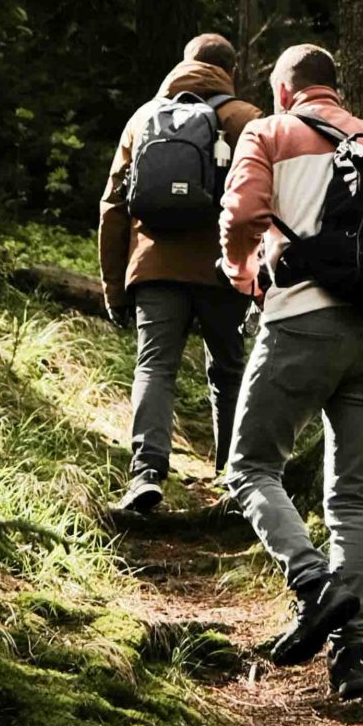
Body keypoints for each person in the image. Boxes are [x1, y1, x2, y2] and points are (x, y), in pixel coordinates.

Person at [218, 44, 363, 701]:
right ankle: (353, 663)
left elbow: (240, 213)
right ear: (335, 91)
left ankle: (315, 584)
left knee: (249, 465)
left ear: (284, 91)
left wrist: (242, 270)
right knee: (349, 495)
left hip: (300, 324)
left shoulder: (269, 130)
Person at [97, 34, 264, 516]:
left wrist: (114, 285)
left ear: (185, 63)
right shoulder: (246, 119)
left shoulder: (143, 118)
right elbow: (263, 200)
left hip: (154, 267)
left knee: (155, 367)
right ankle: (235, 478)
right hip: (225, 270)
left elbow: (112, 206)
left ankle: (147, 472)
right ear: (230, 70)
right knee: (229, 369)